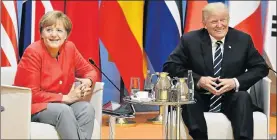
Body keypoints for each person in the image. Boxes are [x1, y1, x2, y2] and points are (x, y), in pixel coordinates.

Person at [163, 2, 268, 140]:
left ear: (228, 20)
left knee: (243, 97)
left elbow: (261, 68)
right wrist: (199, 80)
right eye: (214, 21)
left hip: (230, 97)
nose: (220, 25)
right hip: (200, 97)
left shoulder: (242, 40)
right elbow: (170, 66)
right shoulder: (190, 40)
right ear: (204, 23)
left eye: (223, 20)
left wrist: (235, 82)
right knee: (188, 98)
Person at [14, 11, 99, 139]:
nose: (54, 35)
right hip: (33, 107)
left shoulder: (70, 48)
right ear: (41, 33)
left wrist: (88, 81)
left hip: (61, 105)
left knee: (86, 109)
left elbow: (90, 71)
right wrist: (65, 98)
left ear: (66, 35)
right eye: (49, 30)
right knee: (63, 111)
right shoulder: (33, 52)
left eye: (59, 30)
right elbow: (31, 93)